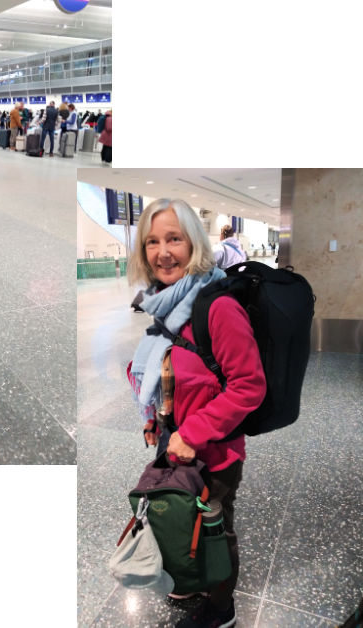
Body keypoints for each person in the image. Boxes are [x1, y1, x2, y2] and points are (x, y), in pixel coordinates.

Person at [127, 199, 266, 628]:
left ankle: (221, 610)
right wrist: (157, 419)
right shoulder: (164, 302)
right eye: (152, 241)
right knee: (180, 515)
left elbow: (249, 385)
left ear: (195, 243)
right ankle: (189, 578)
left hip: (215, 449)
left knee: (214, 531)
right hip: (175, 437)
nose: (162, 252)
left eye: (174, 239)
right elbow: (166, 367)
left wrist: (195, 432)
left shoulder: (217, 306)